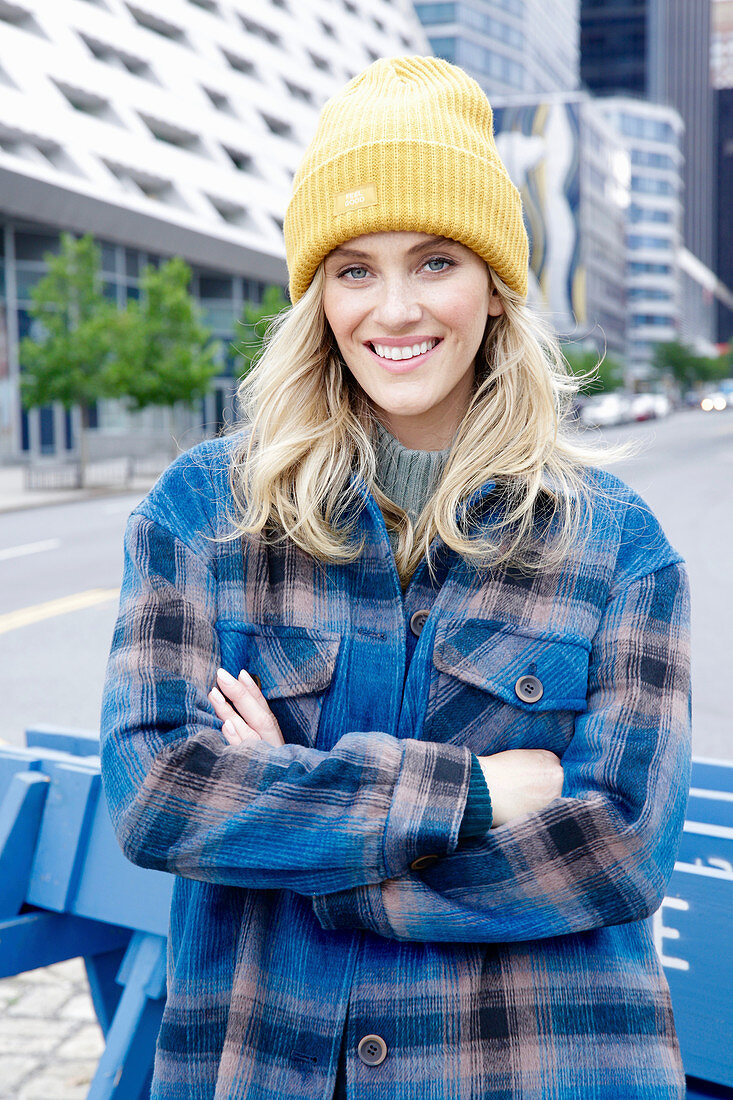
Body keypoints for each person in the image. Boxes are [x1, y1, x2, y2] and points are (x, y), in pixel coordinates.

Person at [100, 56, 691, 1100]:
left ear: (496, 290)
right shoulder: (201, 516)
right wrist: (464, 795)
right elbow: (159, 793)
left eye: (435, 261)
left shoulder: (617, 547)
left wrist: (309, 843)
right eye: (354, 267)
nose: (395, 307)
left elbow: (616, 849)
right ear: (317, 293)